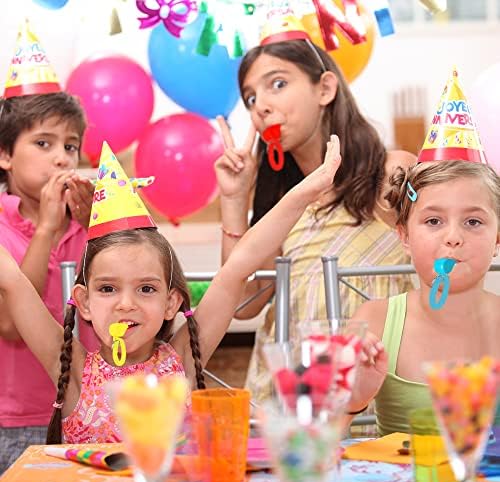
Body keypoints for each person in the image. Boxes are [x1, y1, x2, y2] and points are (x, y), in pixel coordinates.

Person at [0, 133, 342, 445]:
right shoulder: (74, 372)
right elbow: (13, 281)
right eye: (108, 289)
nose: (126, 304)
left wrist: (305, 193)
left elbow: (240, 265)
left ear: (171, 302)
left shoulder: (181, 361)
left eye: (146, 289)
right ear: (84, 302)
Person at [215, 38, 415, 403]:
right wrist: (234, 198)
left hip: (371, 393)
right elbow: (243, 304)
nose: (261, 107)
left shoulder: (391, 174)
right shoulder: (284, 205)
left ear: (324, 89)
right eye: (250, 98)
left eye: (277, 84)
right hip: (289, 400)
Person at [347, 159, 500, 435]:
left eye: (473, 221)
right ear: (405, 236)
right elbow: (311, 449)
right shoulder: (375, 321)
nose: (453, 237)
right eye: (433, 221)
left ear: (497, 239)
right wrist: (351, 402)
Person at [0, 91, 97, 472]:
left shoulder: (88, 224)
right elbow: (11, 325)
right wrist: (45, 230)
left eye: (71, 146)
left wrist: (98, 228)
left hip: (88, 412)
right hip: (17, 420)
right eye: (44, 143)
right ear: (5, 155)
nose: (62, 158)